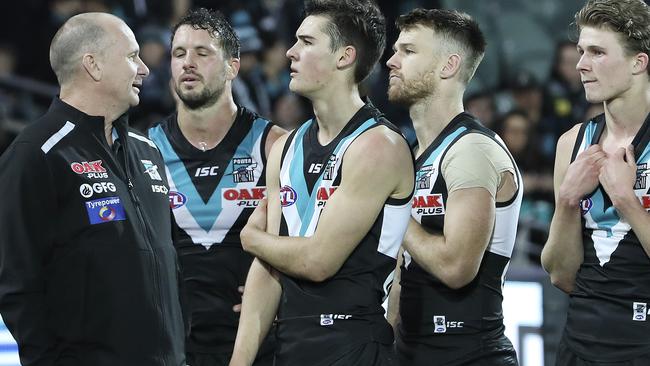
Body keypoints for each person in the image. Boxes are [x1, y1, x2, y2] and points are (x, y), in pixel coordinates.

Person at [229, 0, 415, 365]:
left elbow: (319, 262)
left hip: (354, 346)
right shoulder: (285, 147)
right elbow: (268, 272)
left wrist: (252, 239)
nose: (290, 52)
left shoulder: (378, 146)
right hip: (291, 346)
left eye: (306, 42)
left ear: (344, 57)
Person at [0, 12, 185, 366]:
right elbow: (17, 286)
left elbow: (170, 263)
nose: (145, 69)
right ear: (93, 65)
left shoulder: (149, 151)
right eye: (132, 57)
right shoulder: (35, 155)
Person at [148, 8, 284, 366]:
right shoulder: (145, 151)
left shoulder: (275, 145)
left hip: (260, 344)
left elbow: (307, 241)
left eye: (202, 53)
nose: (187, 63)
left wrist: (288, 298)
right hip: (173, 346)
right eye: (179, 54)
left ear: (232, 67)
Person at [385, 8, 522, 365]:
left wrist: (390, 206)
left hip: (470, 356)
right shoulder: (415, 153)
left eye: (408, 51)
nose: (391, 61)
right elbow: (404, 266)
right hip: (413, 352)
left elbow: (456, 267)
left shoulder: (471, 149)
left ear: (448, 66)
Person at [541, 0, 650, 364]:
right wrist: (567, 202)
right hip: (579, 344)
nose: (581, 65)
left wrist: (626, 200)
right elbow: (559, 273)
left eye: (598, 52)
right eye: (581, 52)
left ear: (639, 62)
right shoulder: (572, 143)